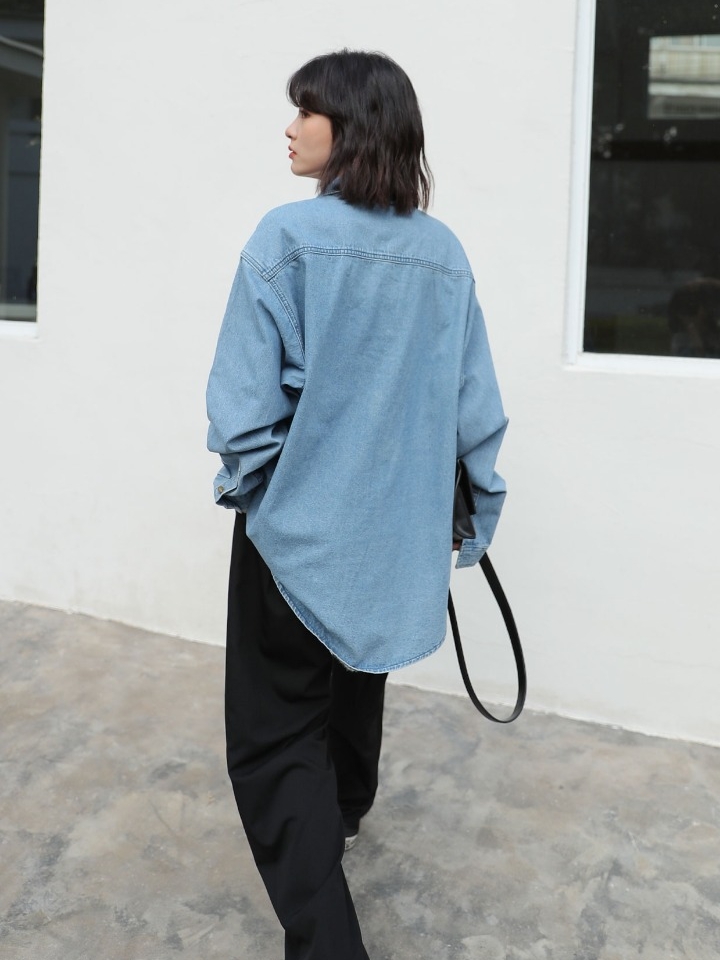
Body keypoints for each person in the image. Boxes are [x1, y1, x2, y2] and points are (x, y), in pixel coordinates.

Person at [206, 49, 507, 960]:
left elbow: (242, 413)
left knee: (273, 741)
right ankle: (343, 810)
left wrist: (270, 497)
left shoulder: (287, 238)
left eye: (307, 111)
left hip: (299, 536)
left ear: (354, 128)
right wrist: (471, 515)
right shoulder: (443, 253)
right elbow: (475, 411)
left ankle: (328, 942)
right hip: (395, 535)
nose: (290, 127)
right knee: (355, 670)